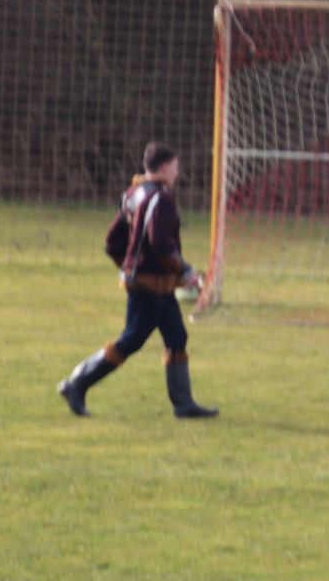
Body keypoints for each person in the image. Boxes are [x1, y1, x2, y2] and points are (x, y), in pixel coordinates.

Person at [59, 142, 218, 419]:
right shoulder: (161, 199)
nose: (178, 172)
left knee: (176, 336)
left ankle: (183, 404)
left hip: (148, 281)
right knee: (132, 339)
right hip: (150, 284)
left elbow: (112, 241)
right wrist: (185, 271)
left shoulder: (135, 192)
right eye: (176, 167)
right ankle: (77, 383)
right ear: (165, 168)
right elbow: (161, 244)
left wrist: (129, 265)